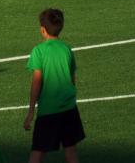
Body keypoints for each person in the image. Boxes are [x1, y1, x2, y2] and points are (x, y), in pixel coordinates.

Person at [24, 8, 85, 163]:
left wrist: (31, 111)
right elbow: (72, 79)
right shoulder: (67, 49)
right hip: (69, 109)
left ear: (42, 30)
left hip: (48, 111)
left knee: (37, 153)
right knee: (71, 152)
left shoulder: (39, 51)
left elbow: (36, 82)